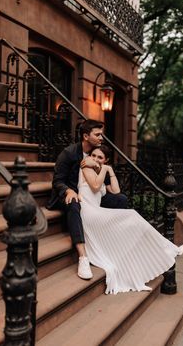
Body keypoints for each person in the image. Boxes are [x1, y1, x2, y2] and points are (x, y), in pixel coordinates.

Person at [79, 145, 183, 294]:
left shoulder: (101, 171)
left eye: (100, 157)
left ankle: (165, 248)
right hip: (88, 213)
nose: (96, 159)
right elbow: (95, 187)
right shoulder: (86, 168)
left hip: (97, 212)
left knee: (131, 219)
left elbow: (116, 191)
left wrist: (109, 170)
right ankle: (167, 247)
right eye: (93, 155)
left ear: (106, 160)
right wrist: (102, 167)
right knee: (131, 216)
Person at [47, 119, 127, 280]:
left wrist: (100, 167)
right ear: (85, 136)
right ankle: (83, 257)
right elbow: (57, 181)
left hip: (91, 196)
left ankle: (111, 241)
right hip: (68, 196)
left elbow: (101, 185)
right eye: (97, 134)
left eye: (101, 134)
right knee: (74, 203)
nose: (101, 137)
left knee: (121, 199)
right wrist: (68, 191)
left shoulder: (96, 154)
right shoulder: (68, 153)